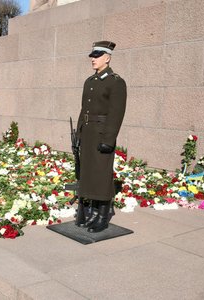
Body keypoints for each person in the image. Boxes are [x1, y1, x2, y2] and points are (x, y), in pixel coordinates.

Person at [75, 41, 127, 233]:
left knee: (102, 175)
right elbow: (84, 110)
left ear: (107, 57)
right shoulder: (90, 81)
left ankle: (103, 217)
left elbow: (116, 114)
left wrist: (108, 139)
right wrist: (79, 134)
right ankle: (93, 214)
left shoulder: (115, 82)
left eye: (97, 55)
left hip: (102, 134)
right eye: (92, 55)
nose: (93, 59)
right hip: (88, 134)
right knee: (89, 174)